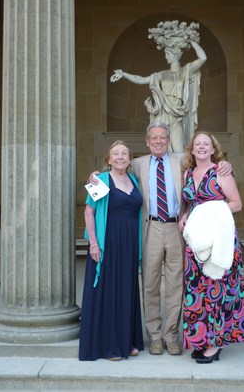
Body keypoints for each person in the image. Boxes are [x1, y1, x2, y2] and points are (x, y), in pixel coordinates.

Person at [88, 122, 233, 356]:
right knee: (150, 284)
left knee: (176, 285)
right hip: (150, 228)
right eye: (153, 138)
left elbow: (208, 163)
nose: (158, 141)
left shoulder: (183, 161)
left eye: (162, 138)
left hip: (177, 227)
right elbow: (114, 169)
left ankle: (171, 336)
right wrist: (94, 175)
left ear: (168, 141)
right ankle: (154, 336)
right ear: (147, 141)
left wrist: (226, 163)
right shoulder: (137, 163)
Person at [179, 132, 244, 364]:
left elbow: (237, 204)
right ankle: (202, 340)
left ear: (212, 149)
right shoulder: (188, 173)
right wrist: (186, 215)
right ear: (191, 149)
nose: (201, 147)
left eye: (205, 144)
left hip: (219, 239)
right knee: (197, 291)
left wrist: (209, 215)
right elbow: (192, 202)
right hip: (197, 242)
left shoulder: (220, 171)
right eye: (197, 144)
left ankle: (216, 344)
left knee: (217, 290)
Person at [79, 140, 144, 361]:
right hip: (107, 243)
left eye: (124, 153)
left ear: (129, 159)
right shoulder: (102, 180)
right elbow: (89, 212)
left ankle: (126, 341)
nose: (120, 157)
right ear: (109, 159)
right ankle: (109, 346)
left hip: (129, 244)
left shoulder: (133, 180)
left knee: (125, 290)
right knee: (108, 291)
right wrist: (94, 244)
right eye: (115, 153)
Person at [110, 37, 207, 153]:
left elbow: (203, 58)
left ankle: (180, 171)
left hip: (177, 114)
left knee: (179, 150)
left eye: (168, 54)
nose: (165, 57)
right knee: (158, 147)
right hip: (161, 112)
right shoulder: (160, 75)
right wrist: (123, 74)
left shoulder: (185, 71)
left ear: (175, 55)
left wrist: (191, 41)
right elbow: (140, 79)